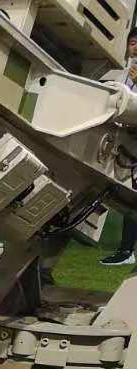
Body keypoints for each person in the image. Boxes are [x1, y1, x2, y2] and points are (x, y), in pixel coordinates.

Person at [100, 30, 137, 266]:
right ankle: (125, 250)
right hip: (116, 141)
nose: (136, 47)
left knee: (133, 198)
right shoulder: (117, 73)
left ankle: (126, 250)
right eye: (133, 43)